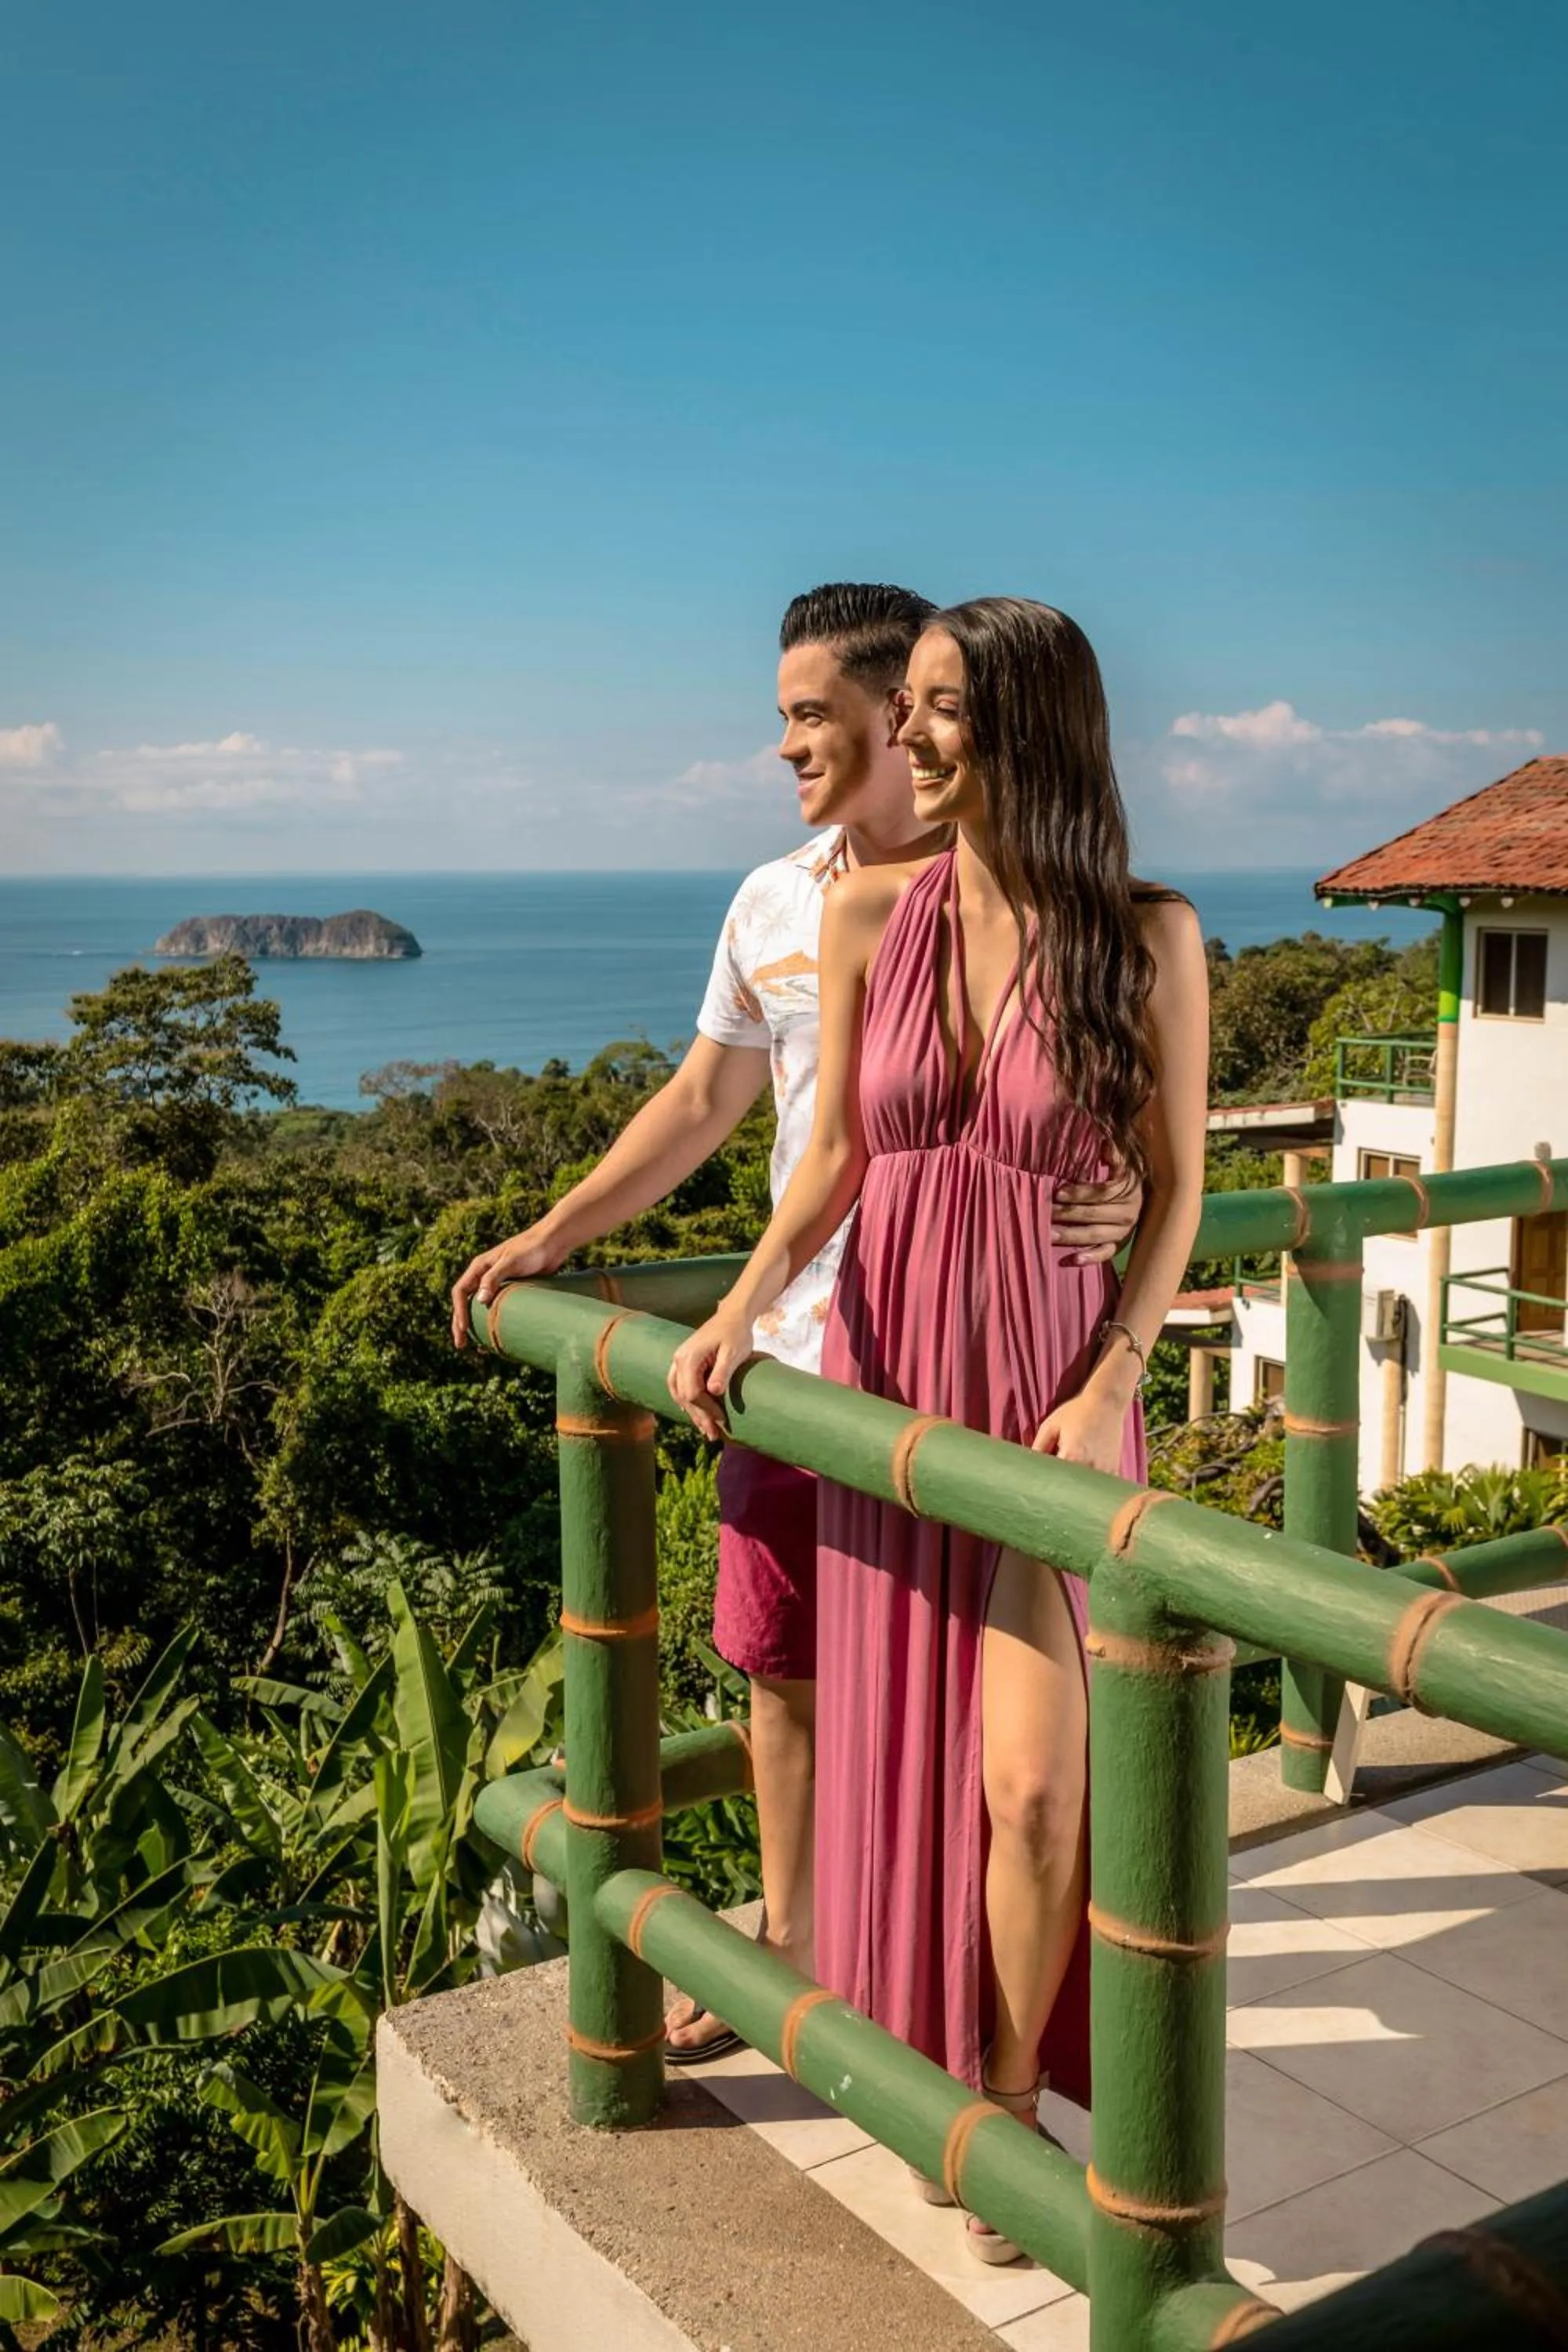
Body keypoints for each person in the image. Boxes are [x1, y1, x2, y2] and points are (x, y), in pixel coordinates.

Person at [453, 585, 1145, 2061]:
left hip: (997, 1361)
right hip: (808, 1358)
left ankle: (985, 2051)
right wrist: (563, 1236)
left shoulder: (1065, 905)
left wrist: (1128, 1184)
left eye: (813, 714)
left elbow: (1112, 1095)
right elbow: (712, 1101)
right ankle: (801, 1947)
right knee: (787, 1668)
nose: (789, 745)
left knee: (1006, 1738)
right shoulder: (788, 901)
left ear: (913, 716)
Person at [669, 597, 1207, 2256]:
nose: (904, 735)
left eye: (938, 707)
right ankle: (937, 2081)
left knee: (1037, 1788)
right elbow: (834, 1159)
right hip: (890, 1374)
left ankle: (1010, 2095)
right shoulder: (861, 915)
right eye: (901, 704)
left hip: (1050, 1401)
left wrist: (1114, 1375)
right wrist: (739, 1303)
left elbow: (1179, 1187)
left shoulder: (1148, 936)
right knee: (909, 1757)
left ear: (1028, 727)